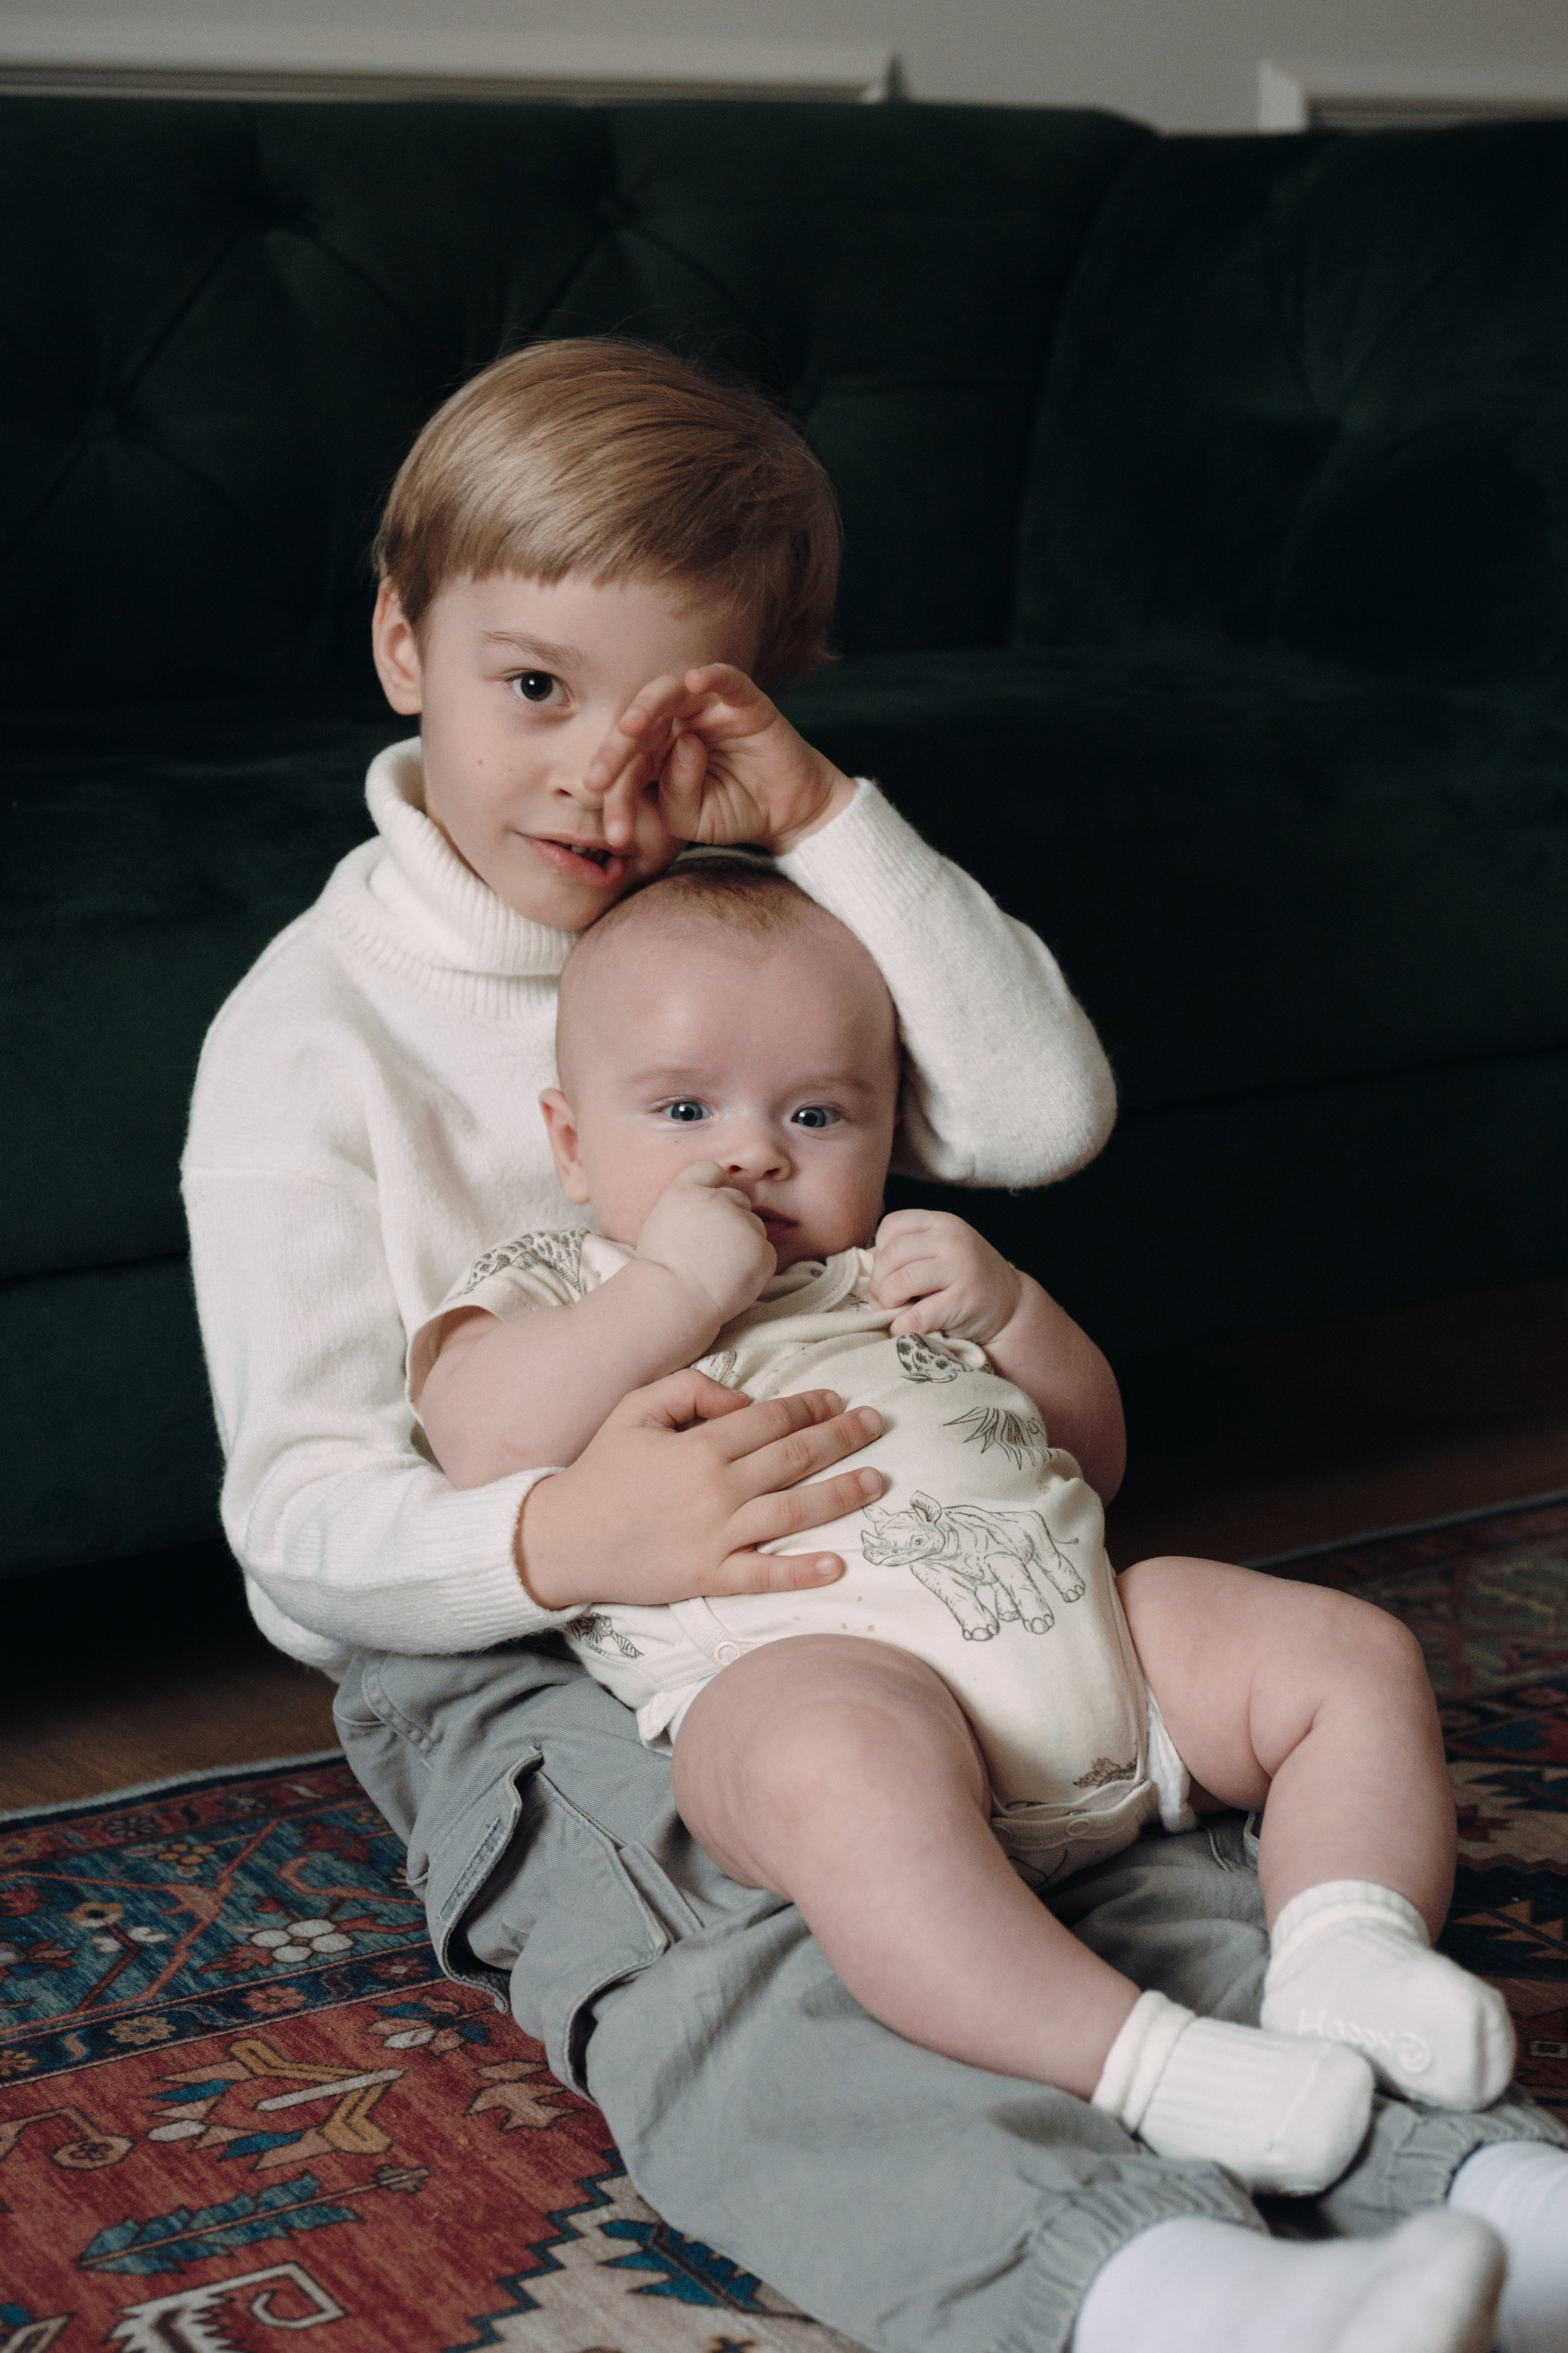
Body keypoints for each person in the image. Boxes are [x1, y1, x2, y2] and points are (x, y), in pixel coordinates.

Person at [183, 338, 1568, 2353]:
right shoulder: (307, 1039)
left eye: (663, 715)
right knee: (741, 1950)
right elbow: (303, 1523)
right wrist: (575, 1539)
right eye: (533, 689)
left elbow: (1032, 1117)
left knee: (1093, 1859)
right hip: (504, 1622)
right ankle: (1148, 2292)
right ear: (404, 644)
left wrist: (823, 820)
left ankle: (1486, 2210)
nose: (593, 775)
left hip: (900, 1543)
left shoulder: (762, 912)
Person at [409, 850, 1509, 2191]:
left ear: (886, 1132)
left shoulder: (898, 1271)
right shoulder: (555, 1285)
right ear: (573, 1146)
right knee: (823, 1757)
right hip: (823, 1682)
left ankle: (1351, 1945)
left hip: (1099, 1662)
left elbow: (1090, 1460)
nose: (752, 1151)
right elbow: (477, 1436)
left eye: (815, 1115)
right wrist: (666, 1293)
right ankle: (1146, 2063)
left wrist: (1011, 1317)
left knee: (1340, 1652)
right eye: (686, 1108)